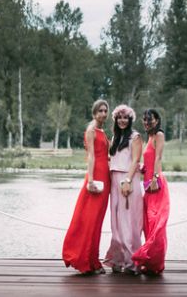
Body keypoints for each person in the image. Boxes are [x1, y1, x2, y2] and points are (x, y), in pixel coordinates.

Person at [62, 99, 111, 275]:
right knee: (89, 219)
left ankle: (94, 260)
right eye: (100, 111)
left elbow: (107, 154)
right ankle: (85, 260)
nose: (103, 114)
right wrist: (90, 180)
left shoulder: (102, 131)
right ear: (94, 113)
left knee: (97, 221)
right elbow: (91, 156)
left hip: (105, 177)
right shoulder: (91, 130)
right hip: (96, 177)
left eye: (105, 111)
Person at [104, 104, 144, 273]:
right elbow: (112, 159)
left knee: (128, 221)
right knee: (116, 221)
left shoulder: (135, 137)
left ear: (130, 119)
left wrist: (127, 180)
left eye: (125, 118)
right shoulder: (115, 138)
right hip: (114, 180)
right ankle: (118, 260)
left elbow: (135, 160)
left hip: (128, 179)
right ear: (115, 119)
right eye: (119, 117)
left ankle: (132, 262)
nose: (122, 120)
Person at [132, 108, 170, 274]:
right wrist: (142, 168)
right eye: (145, 120)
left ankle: (156, 263)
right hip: (147, 186)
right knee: (148, 225)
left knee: (156, 224)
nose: (147, 123)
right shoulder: (149, 137)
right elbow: (149, 159)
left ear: (157, 120)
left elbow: (159, 158)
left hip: (156, 185)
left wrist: (154, 177)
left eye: (150, 120)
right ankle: (150, 262)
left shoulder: (159, 135)